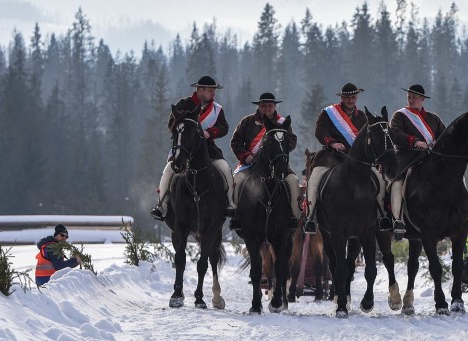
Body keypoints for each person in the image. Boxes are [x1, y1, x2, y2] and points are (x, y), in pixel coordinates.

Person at [388, 84, 468, 236]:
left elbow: (446, 136)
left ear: (422, 99)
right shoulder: (399, 116)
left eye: (414, 97)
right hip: (407, 156)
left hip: (431, 157)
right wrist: (415, 142)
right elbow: (395, 134)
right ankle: (398, 219)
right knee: (397, 180)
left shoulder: (433, 118)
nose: (411, 99)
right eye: (409, 96)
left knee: (456, 175)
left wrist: (437, 144)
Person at [151, 76, 235, 222]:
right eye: (210, 90)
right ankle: (161, 206)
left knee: (225, 169)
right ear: (200, 89)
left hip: (208, 149)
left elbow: (224, 127)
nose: (213, 93)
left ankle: (230, 203)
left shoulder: (217, 109)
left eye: (214, 90)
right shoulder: (183, 104)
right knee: (168, 171)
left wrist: (210, 132)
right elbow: (172, 123)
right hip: (184, 148)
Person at [303, 83, 370, 234]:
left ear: (357, 97)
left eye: (353, 97)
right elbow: (320, 132)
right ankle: (310, 216)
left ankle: (381, 215)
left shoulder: (363, 116)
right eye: (347, 97)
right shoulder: (328, 113)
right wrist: (332, 143)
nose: (350, 100)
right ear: (342, 97)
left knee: (377, 178)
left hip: (357, 160)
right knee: (314, 179)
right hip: (330, 157)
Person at [230, 92, 300, 230]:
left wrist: (278, 152)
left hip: (277, 163)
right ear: (259, 106)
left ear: (274, 107)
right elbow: (236, 142)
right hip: (250, 163)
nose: (267, 108)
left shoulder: (283, 123)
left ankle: (294, 216)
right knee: (237, 180)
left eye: (270, 106)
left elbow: (291, 141)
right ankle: (236, 216)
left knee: (293, 181)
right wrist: (245, 155)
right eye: (263, 106)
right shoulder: (247, 121)